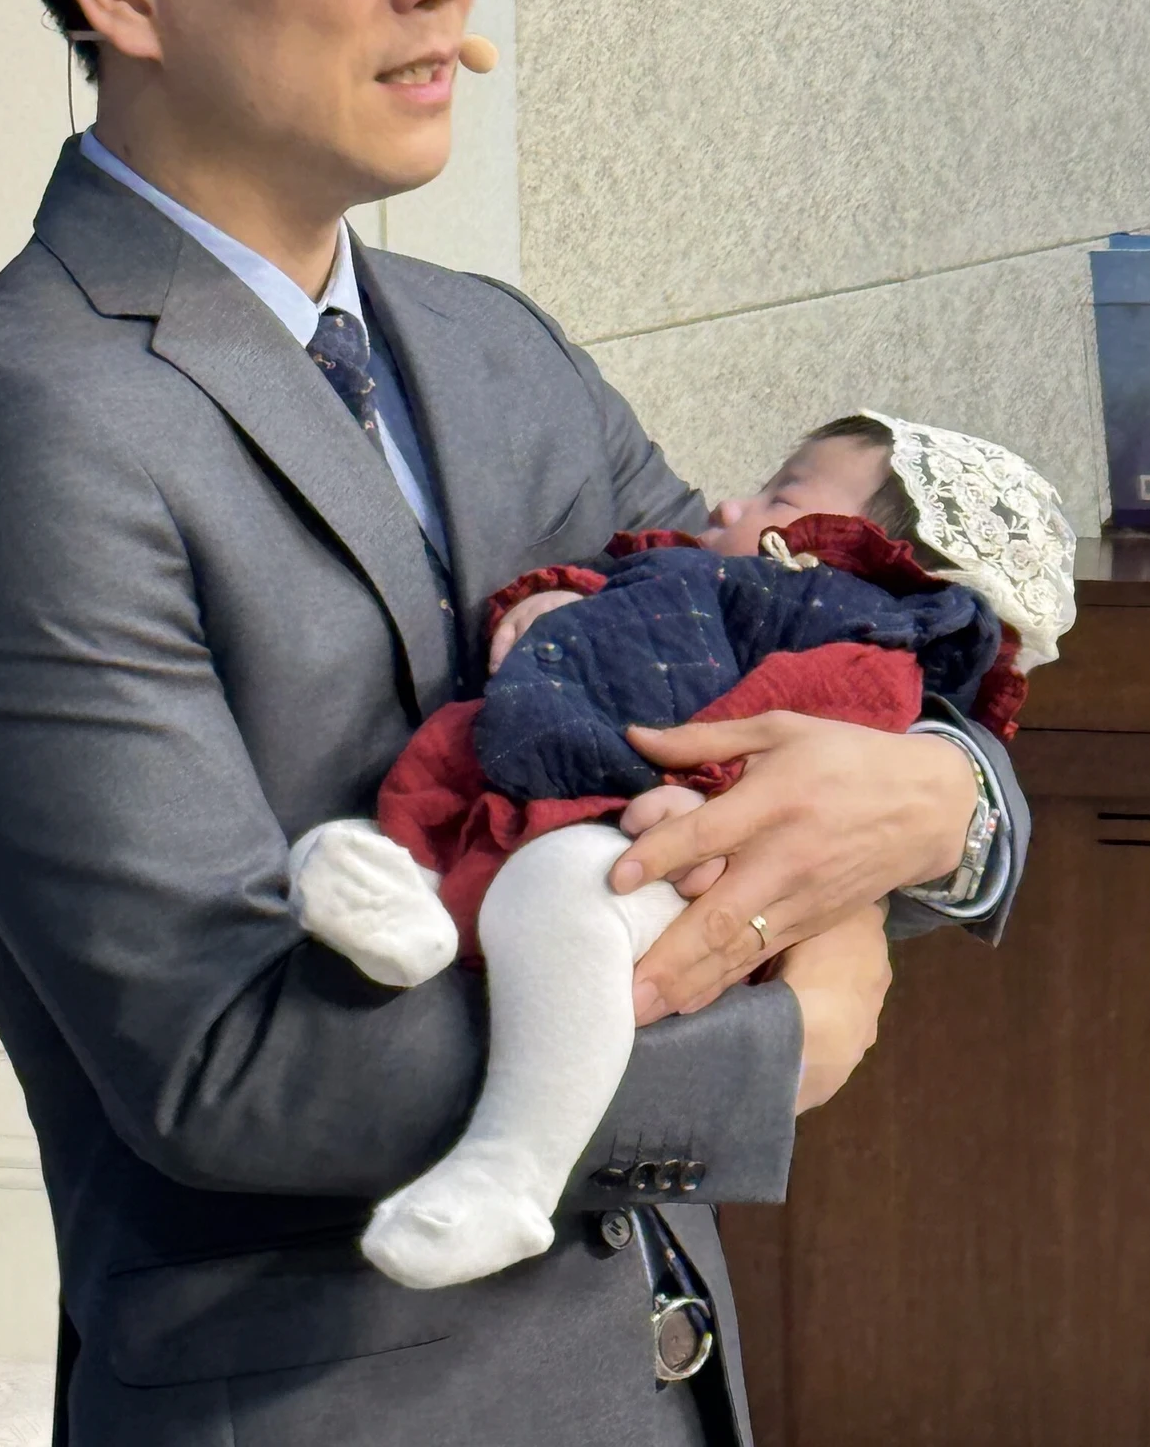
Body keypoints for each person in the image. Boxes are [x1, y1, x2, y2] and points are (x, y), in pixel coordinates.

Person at [0, 0, 1031, 1447]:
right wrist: (786, 1035)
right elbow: (228, 1064)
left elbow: (774, 673)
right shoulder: (24, 433)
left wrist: (950, 805)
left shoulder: (494, 349)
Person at [287, 412, 1074, 1289]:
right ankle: (407, 913)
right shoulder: (710, 570)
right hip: (532, 767)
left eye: (781, 496)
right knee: (375, 829)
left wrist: (716, 792)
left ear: (860, 555)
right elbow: (624, 587)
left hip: (660, 837)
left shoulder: (854, 641)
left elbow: (814, 745)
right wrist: (553, 601)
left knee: (562, 895)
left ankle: (512, 1169)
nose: (728, 503)